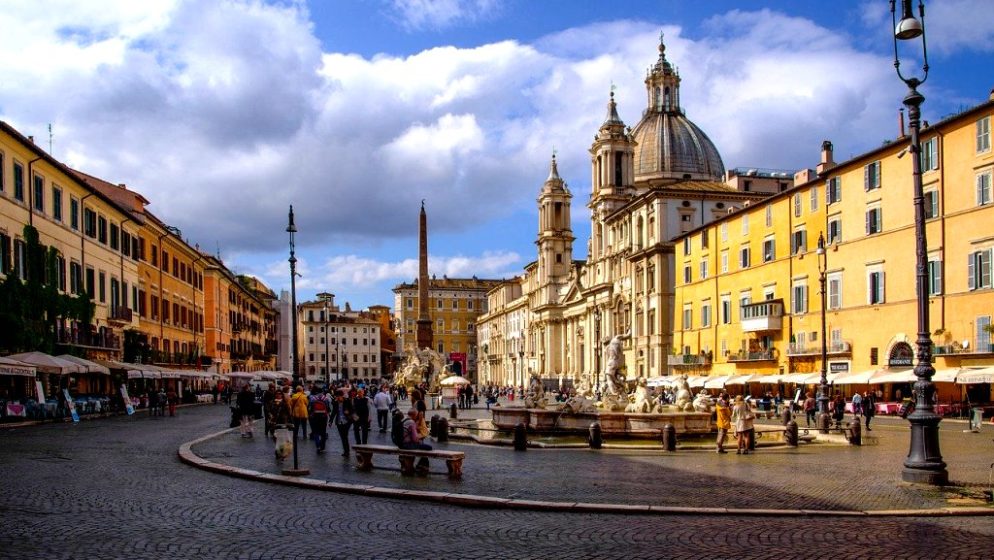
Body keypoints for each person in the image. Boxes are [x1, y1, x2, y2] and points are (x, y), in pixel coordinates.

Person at [330, 390, 354, 457]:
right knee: (343, 437)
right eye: (336, 397)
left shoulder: (347, 401)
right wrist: (330, 421)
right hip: (339, 422)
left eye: (338, 397)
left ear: (342, 396)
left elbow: (352, 410)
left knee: (345, 436)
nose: (337, 398)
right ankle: (346, 451)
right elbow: (334, 412)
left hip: (347, 421)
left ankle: (347, 451)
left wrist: (348, 412)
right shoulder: (335, 403)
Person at [309, 389, 331, 453]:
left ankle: (318, 446)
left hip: (315, 417)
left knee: (316, 432)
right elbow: (328, 408)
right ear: (322, 392)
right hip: (323, 417)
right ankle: (322, 447)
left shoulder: (313, 398)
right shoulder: (325, 398)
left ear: (316, 392)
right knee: (323, 432)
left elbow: (310, 408)